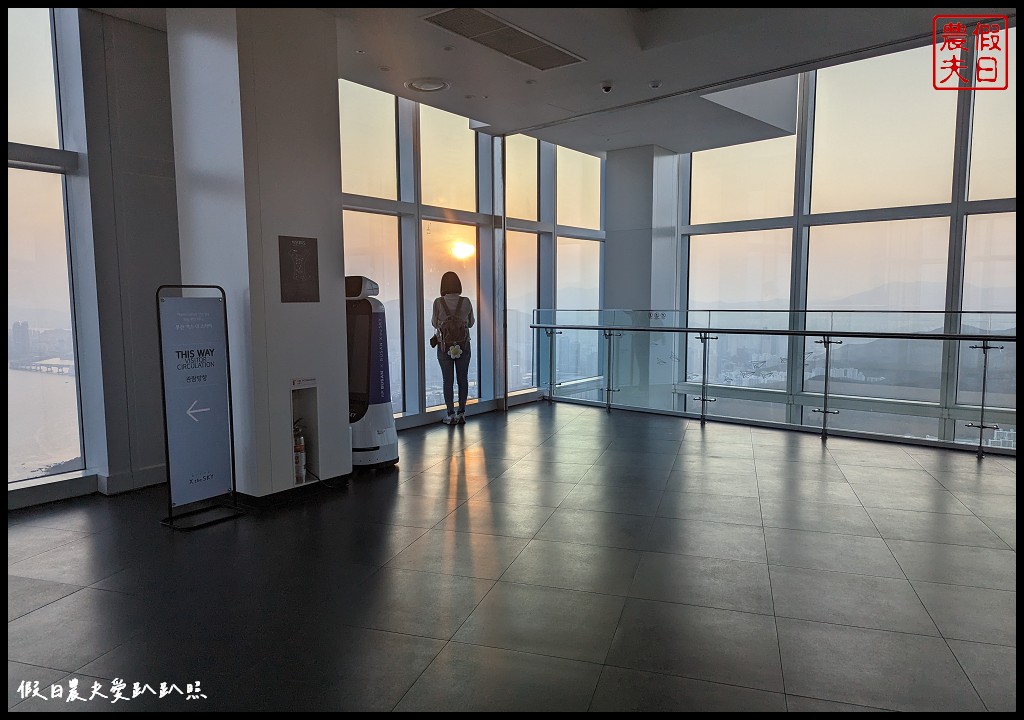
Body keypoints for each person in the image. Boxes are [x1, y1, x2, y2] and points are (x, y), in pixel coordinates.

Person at [431, 271, 475, 425]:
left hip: (444, 347)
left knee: (447, 380)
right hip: (463, 345)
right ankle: (462, 413)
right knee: (462, 379)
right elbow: (470, 323)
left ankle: (450, 414)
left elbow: (435, 323)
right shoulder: (466, 301)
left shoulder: (438, 302)